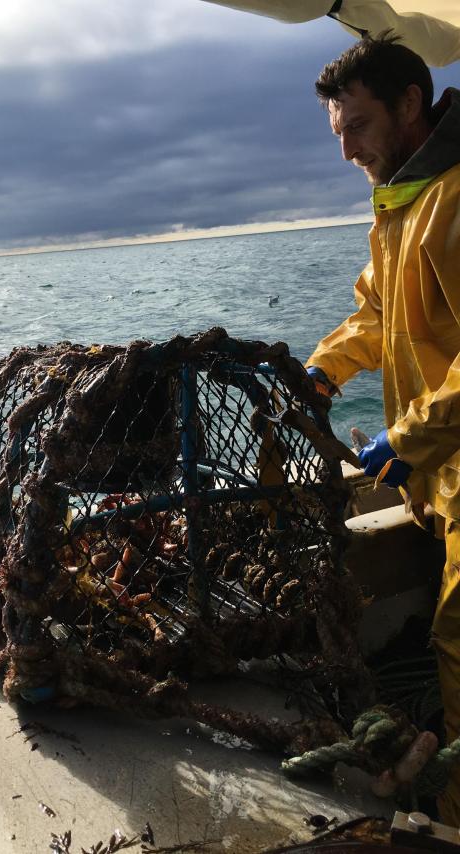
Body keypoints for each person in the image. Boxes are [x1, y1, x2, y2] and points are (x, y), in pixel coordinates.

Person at [304, 32, 460, 825]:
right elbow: (378, 311)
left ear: (411, 103)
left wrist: (407, 440)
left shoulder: (455, 197)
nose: (347, 151)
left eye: (357, 126)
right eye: (338, 133)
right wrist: (325, 370)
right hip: (445, 480)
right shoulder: (403, 199)